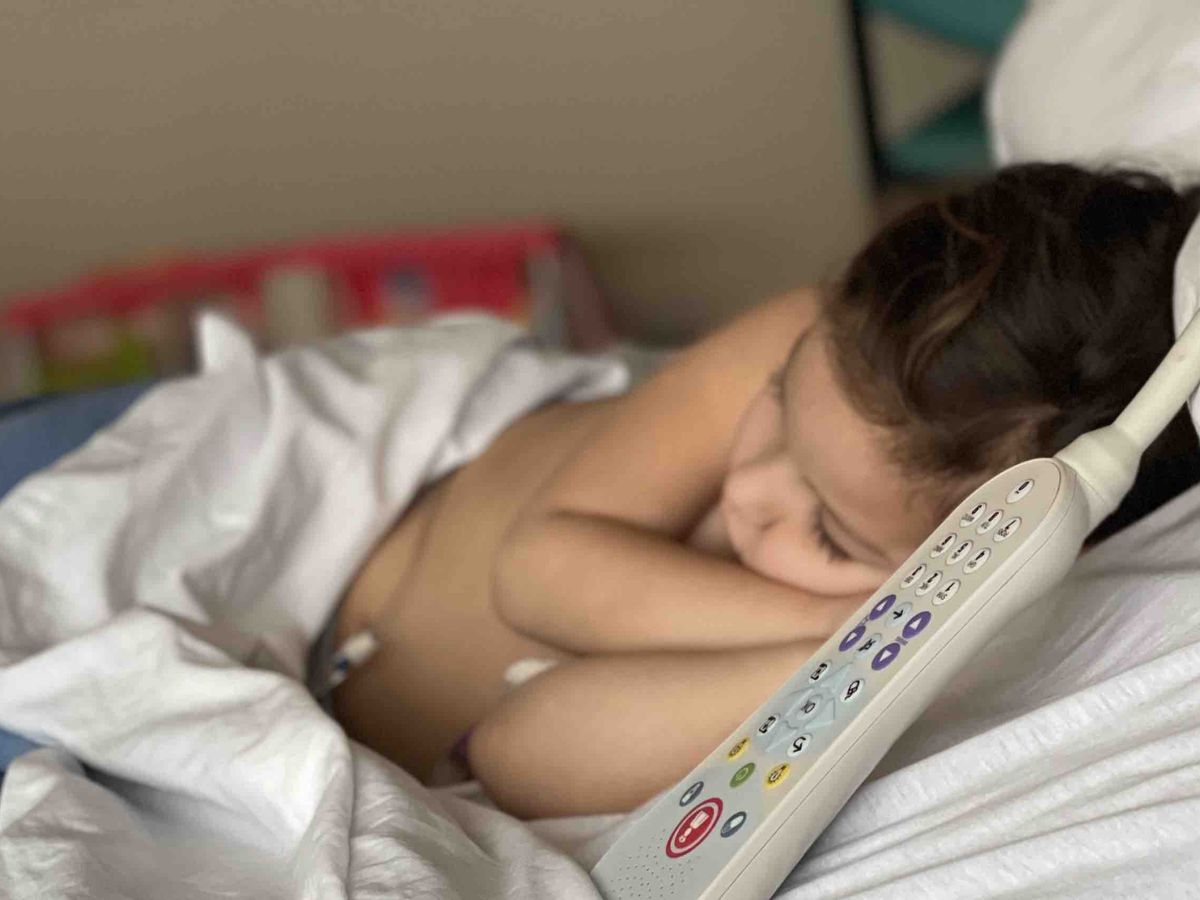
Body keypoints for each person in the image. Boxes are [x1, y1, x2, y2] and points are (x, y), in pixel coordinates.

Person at [329, 163, 1200, 818]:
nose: (747, 488)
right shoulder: (840, 347)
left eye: (827, 534)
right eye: (777, 399)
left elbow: (518, 751)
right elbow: (536, 571)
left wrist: (880, 640)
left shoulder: (894, 613)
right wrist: (827, 613)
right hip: (364, 532)